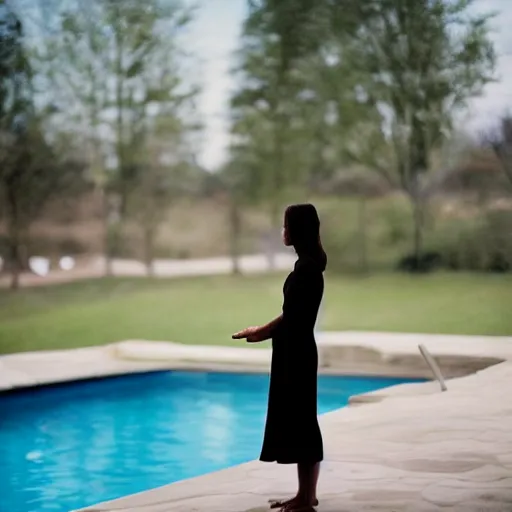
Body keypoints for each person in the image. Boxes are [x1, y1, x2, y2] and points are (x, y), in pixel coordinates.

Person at [233, 203, 327, 512]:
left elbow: (292, 319)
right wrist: (261, 331)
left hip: (297, 353)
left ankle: (306, 496)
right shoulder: (306, 267)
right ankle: (304, 494)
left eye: (286, 225)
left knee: (304, 424)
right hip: (295, 351)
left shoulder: (307, 270)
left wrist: (261, 332)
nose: (282, 231)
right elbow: (290, 315)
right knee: (300, 421)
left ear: (298, 230)